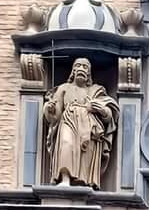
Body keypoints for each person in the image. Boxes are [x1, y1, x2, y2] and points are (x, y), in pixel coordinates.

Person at [43, 58, 118, 187]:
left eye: (85, 67)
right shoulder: (63, 88)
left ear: (89, 73)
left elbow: (109, 116)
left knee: (86, 151)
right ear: (73, 70)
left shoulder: (96, 90)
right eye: (78, 66)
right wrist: (50, 109)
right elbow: (55, 116)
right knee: (66, 144)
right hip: (68, 120)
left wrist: (102, 110)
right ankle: (64, 178)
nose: (81, 69)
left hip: (89, 125)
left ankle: (82, 182)